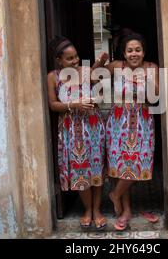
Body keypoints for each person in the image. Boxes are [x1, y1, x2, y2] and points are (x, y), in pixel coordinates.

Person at [96, 32, 160, 231]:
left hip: (143, 121)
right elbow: (93, 78)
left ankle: (114, 194)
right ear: (124, 52)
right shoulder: (117, 67)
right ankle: (126, 211)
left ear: (144, 51)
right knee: (121, 165)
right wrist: (100, 63)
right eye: (130, 50)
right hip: (118, 121)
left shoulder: (151, 67)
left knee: (138, 163)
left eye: (138, 50)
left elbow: (156, 97)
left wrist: (144, 77)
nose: (134, 54)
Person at [47, 37, 107, 230]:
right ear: (59, 60)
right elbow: (53, 105)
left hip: (93, 127)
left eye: (76, 56)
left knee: (96, 169)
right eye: (70, 58)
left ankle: (97, 210)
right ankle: (87, 209)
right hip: (71, 131)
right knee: (80, 171)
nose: (75, 61)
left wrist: (100, 65)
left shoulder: (85, 71)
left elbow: (99, 91)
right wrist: (74, 104)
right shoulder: (53, 77)